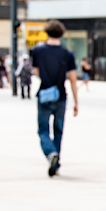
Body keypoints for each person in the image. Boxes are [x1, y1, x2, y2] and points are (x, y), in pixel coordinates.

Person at [29, 21, 80, 177]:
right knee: (58, 130)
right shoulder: (67, 53)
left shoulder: (37, 51)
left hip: (44, 94)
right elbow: (72, 79)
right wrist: (76, 102)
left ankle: (50, 153)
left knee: (43, 129)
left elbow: (36, 71)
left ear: (47, 32)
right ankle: (56, 163)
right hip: (61, 96)